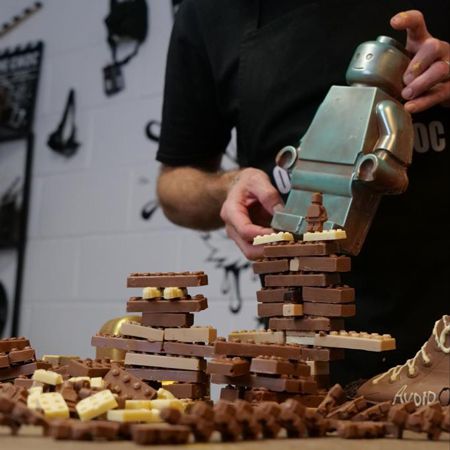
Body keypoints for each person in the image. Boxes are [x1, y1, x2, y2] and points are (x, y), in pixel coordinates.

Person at [156, 0, 450, 384]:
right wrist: (231, 186)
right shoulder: (207, 13)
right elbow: (174, 184)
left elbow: (392, 147)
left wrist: (380, 166)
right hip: (302, 348)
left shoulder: (387, 109)